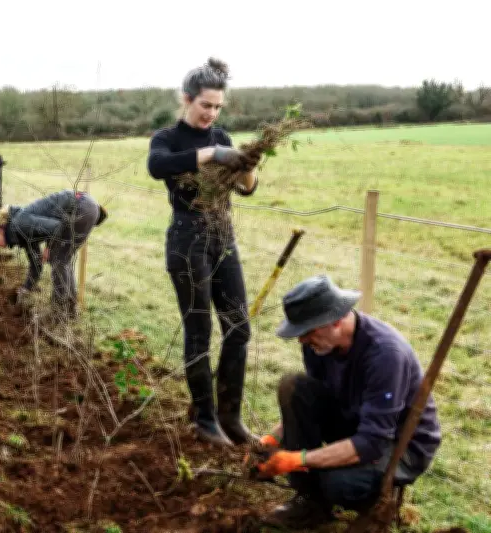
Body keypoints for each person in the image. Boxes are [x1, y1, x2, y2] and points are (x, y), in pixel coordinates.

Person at [253, 275, 441, 528]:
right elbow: (311, 402)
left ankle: (371, 503)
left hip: (399, 443)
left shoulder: (385, 355)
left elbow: (371, 442)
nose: (301, 340)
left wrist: (297, 460)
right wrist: (271, 440)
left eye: (307, 331)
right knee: (293, 386)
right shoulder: (319, 345)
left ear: (336, 320)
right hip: (355, 421)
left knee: (339, 485)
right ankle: (309, 501)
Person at [146, 57, 261, 447]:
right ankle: (205, 420)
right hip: (187, 239)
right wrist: (212, 155)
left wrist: (247, 165)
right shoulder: (168, 138)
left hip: (222, 238)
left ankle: (231, 418)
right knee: (199, 330)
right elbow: (157, 166)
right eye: (205, 105)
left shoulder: (224, 136)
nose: (211, 113)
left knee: (238, 327)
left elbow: (247, 189)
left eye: (217, 107)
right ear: (187, 99)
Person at [0, 189, 107, 317]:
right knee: (63, 260)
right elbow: (36, 265)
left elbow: (56, 227)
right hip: (85, 208)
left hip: (80, 207)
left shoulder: (20, 223)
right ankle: (69, 311)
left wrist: (49, 247)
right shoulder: (21, 234)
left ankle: (58, 311)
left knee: (58, 259)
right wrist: (25, 289)